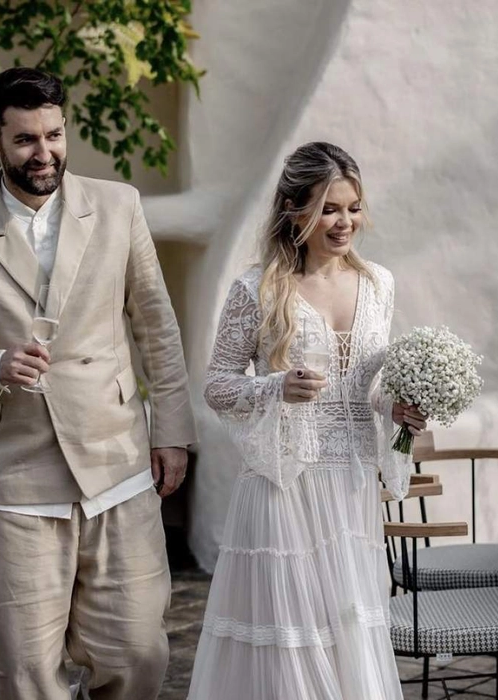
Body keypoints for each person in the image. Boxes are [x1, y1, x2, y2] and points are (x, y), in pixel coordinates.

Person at [0, 67, 197, 700]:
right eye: (26, 139)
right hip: (17, 478)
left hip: (117, 463)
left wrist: (172, 430)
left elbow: (156, 326)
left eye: (54, 135)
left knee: (138, 652)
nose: (45, 152)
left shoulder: (119, 206)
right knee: (25, 673)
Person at [187, 142, 426, 699]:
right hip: (283, 485)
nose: (345, 223)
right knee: (292, 640)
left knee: (348, 630)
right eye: (328, 209)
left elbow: (364, 386)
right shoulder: (256, 289)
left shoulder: (379, 284)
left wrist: (395, 408)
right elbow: (217, 383)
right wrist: (276, 386)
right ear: (294, 211)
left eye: (353, 208)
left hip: (350, 486)